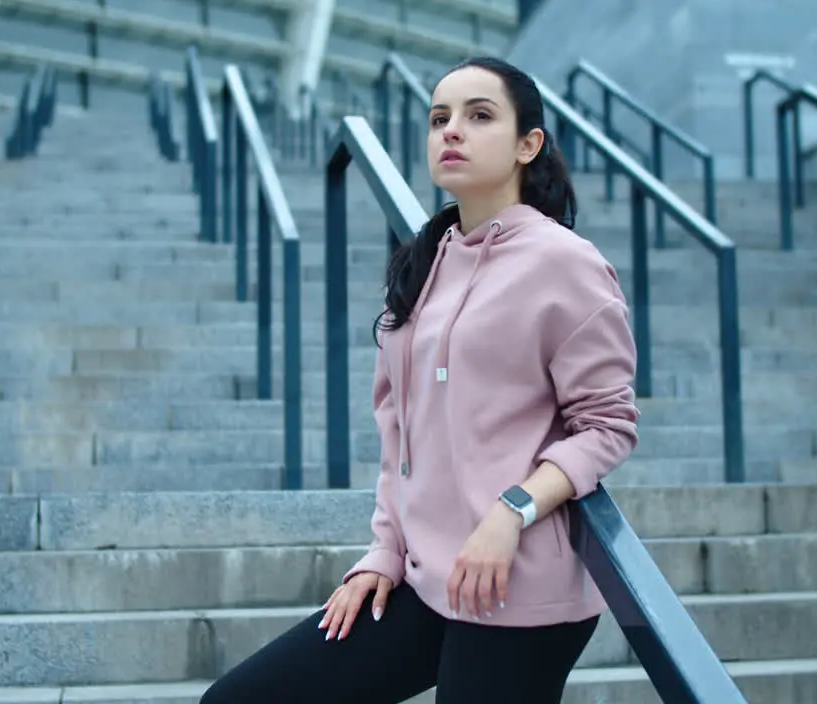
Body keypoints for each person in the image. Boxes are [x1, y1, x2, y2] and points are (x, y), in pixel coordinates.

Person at [199, 55, 639, 704]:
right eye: (439, 118)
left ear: (528, 144)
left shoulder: (565, 265)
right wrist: (382, 553)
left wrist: (511, 510)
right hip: (426, 578)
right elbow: (400, 439)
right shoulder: (425, 263)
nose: (451, 131)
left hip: (519, 587)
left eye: (478, 115)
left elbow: (606, 425)